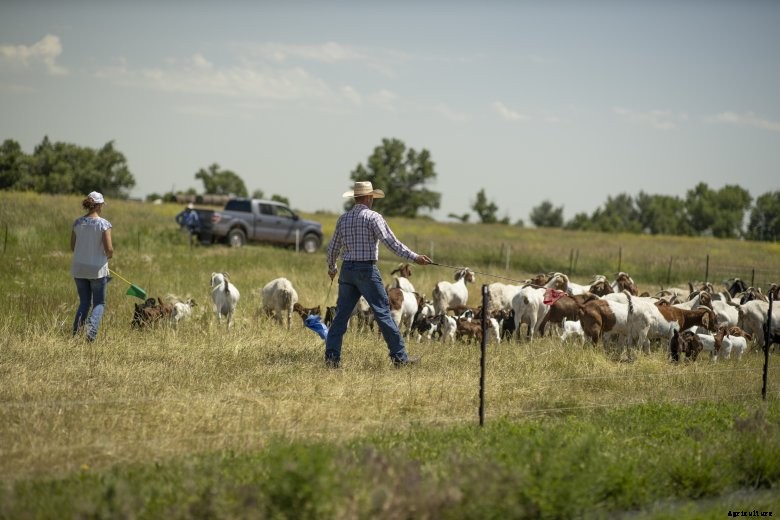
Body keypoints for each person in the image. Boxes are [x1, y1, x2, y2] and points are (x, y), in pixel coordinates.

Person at [325, 181, 432, 368]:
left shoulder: (343, 219)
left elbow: (332, 249)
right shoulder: (373, 218)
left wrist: (333, 268)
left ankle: (332, 359)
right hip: (366, 270)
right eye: (372, 197)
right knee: (383, 313)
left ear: (355, 198)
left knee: (341, 315)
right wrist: (414, 257)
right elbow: (391, 242)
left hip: (347, 270)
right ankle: (400, 358)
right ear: (368, 198)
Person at [71, 191, 113, 342]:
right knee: (99, 303)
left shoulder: (77, 223)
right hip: (97, 269)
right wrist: (109, 256)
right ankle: (90, 333)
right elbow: (109, 249)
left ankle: (76, 334)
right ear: (100, 205)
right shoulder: (104, 224)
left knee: (84, 302)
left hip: (79, 268)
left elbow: (73, 246)